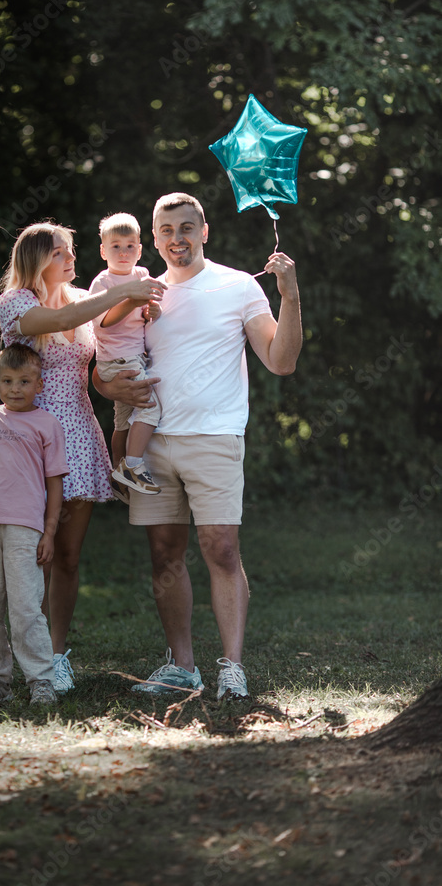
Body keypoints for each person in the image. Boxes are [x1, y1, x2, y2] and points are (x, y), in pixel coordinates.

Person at [92, 192, 302, 700]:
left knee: (222, 549)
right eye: (166, 231)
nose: (176, 239)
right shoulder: (140, 290)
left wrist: (290, 296)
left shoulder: (236, 286)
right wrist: (108, 388)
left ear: (204, 232)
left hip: (216, 437)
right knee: (164, 554)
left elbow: (281, 360)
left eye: (186, 228)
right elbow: (105, 363)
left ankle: (232, 666)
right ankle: (182, 666)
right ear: (154, 238)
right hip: (153, 443)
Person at [0, 221, 165, 692]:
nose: (72, 259)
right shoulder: (17, 304)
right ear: (36, 259)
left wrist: (113, 383)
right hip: (32, 442)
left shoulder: (79, 302)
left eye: (71, 251)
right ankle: (22, 656)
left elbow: (90, 371)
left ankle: (55, 654)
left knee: (67, 556)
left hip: (81, 436)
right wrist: (122, 290)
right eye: (61, 253)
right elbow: (60, 325)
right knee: (33, 556)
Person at [0, 343, 69, 707]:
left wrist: (49, 531)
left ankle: (41, 681)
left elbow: (55, 482)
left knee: (25, 608)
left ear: (40, 385)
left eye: (24, 381)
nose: (15, 388)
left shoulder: (47, 424)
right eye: (7, 381)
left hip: (25, 529)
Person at [88, 212, 163, 500]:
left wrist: (151, 311)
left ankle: (118, 476)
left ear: (140, 249)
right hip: (118, 360)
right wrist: (131, 298)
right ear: (103, 250)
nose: (123, 252)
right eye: (115, 246)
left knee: (122, 421)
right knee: (150, 408)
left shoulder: (142, 275)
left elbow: (146, 313)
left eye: (130, 246)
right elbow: (103, 321)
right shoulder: (102, 283)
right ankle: (132, 466)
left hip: (134, 357)